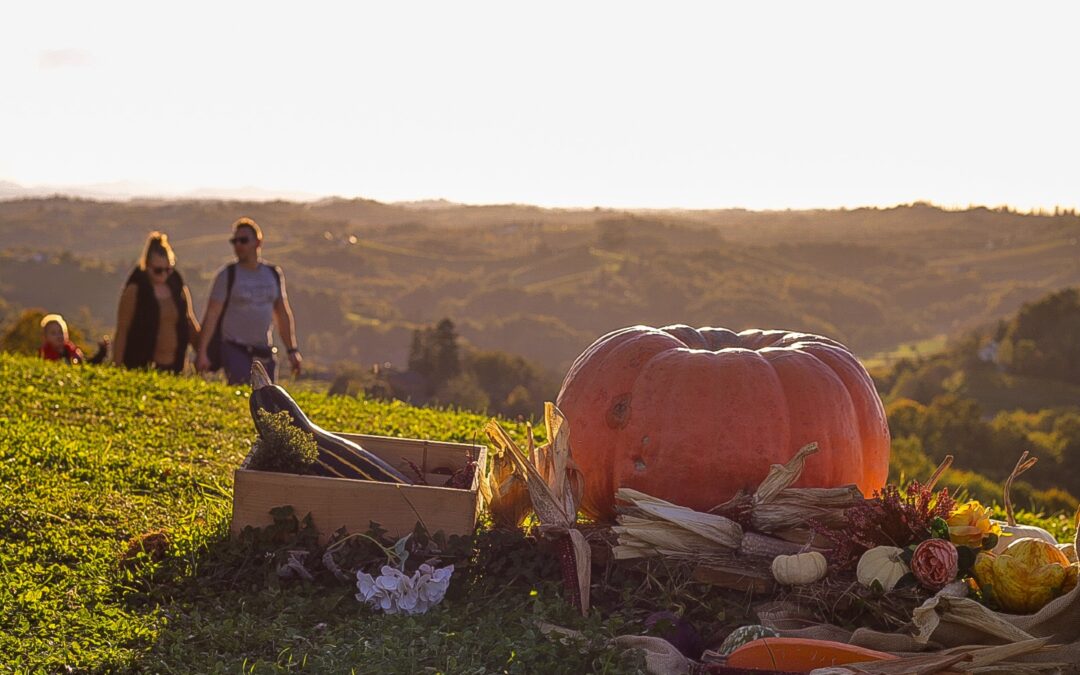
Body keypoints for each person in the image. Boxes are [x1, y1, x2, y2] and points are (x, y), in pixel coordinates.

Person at [196, 217, 302, 385]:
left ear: (258, 242)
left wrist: (292, 350)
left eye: (243, 240)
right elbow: (212, 314)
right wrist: (202, 353)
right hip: (234, 349)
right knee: (245, 394)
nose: (238, 245)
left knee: (268, 400)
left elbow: (282, 314)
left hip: (264, 350)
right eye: (235, 241)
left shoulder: (273, 274)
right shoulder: (227, 275)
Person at [112, 232, 201, 373]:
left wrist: (202, 352)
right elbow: (123, 330)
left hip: (174, 367)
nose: (164, 275)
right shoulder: (135, 289)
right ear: (147, 266)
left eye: (168, 270)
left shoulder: (177, 285)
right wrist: (117, 367)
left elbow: (188, 320)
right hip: (141, 364)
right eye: (158, 270)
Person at [39, 313, 108, 365]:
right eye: (53, 333)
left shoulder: (73, 352)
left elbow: (87, 364)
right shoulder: (44, 355)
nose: (59, 336)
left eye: (61, 332)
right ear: (45, 337)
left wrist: (102, 352)